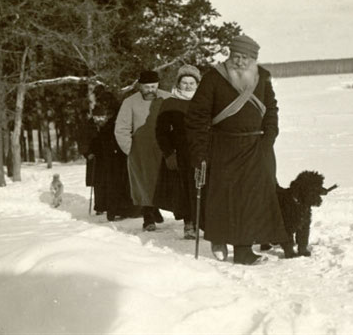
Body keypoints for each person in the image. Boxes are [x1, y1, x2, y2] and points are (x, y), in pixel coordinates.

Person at [185, 34, 288, 265]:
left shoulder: (263, 77)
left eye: (246, 58)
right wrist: (199, 151)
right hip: (223, 146)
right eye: (236, 56)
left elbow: (271, 108)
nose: (240, 62)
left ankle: (244, 249)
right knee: (225, 198)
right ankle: (219, 238)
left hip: (257, 146)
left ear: (253, 59)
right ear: (229, 55)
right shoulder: (213, 78)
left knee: (253, 198)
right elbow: (197, 117)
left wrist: (269, 136)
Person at [154, 65, 202, 239]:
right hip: (181, 154)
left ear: (198, 84)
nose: (188, 86)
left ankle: (204, 222)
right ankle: (189, 224)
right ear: (178, 84)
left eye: (192, 83)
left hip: (203, 151)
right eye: (184, 82)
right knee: (184, 190)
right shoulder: (170, 103)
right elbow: (161, 132)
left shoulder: (204, 102)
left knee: (204, 187)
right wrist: (169, 153)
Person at [115, 70, 167, 231]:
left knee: (163, 181)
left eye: (154, 86)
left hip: (164, 147)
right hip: (140, 149)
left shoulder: (168, 98)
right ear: (140, 86)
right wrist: (130, 150)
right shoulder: (130, 102)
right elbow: (121, 128)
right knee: (144, 182)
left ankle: (156, 206)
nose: (151, 90)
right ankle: (148, 217)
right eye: (147, 87)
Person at [87, 104, 137, 221]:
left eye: (101, 117)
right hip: (103, 161)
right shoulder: (96, 127)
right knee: (105, 184)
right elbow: (94, 142)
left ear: (107, 116)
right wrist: (91, 151)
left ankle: (120, 210)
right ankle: (108, 208)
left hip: (117, 160)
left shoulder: (113, 126)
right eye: (96, 117)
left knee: (117, 184)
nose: (98, 120)